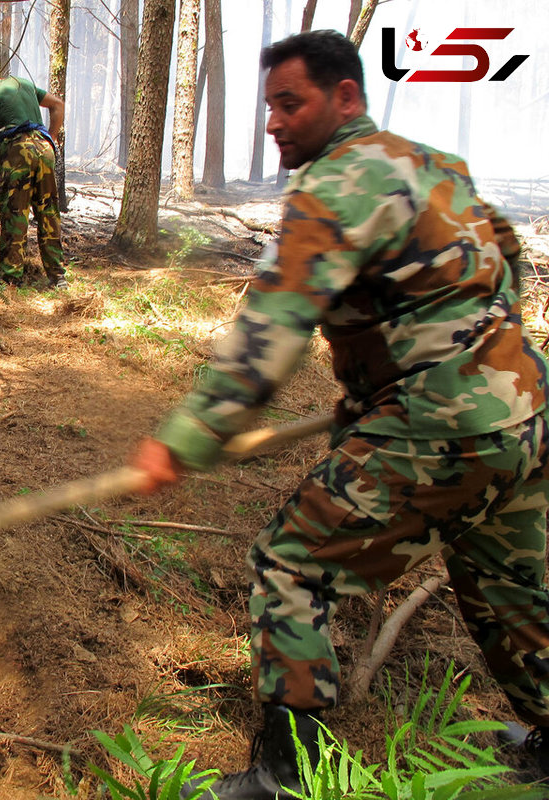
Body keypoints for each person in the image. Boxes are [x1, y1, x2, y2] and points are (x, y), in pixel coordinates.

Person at [130, 30, 549, 799]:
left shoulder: (334, 186)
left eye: (291, 104)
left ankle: (287, 780)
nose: (275, 123)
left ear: (345, 97)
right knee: (509, 583)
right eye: (270, 107)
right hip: (523, 415)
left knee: (290, 563)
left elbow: (268, 336)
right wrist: (389, 385)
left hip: (444, 425)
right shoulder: (433, 164)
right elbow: (508, 264)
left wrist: (181, 441)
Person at [0, 68, 67, 290]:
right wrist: (51, 138)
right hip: (45, 149)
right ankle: (58, 277)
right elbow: (58, 104)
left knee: (15, 213)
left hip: (17, 151)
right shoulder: (21, 83)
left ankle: (12, 278)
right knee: (48, 212)